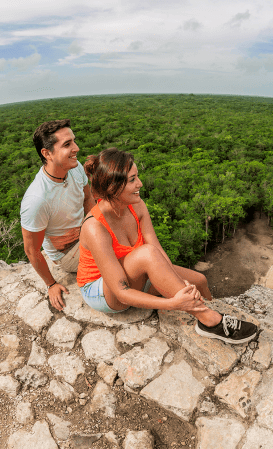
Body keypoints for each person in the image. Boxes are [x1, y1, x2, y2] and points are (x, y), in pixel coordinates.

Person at [76, 148, 258, 344]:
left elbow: (158, 252)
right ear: (113, 187)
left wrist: (180, 282)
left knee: (199, 279)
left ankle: (208, 310)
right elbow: (121, 292)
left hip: (135, 273)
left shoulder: (136, 205)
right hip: (103, 290)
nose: (140, 184)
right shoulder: (95, 226)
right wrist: (172, 303)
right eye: (132, 179)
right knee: (146, 253)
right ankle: (210, 321)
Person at [21, 119, 94, 311]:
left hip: (86, 231)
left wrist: (96, 226)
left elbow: (88, 199)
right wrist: (51, 284)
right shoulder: (37, 198)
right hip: (67, 252)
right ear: (47, 153)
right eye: (67, 145)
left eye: (74, 141)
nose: (76, 148)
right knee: (120, 250)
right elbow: (31, 249)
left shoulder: (74, 167)